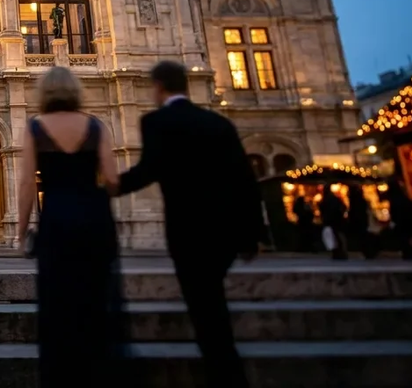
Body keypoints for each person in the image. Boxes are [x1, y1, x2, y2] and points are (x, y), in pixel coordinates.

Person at [117, 60, 261, 388]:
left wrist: (109, 187)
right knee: (212, 298)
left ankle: (222, 368)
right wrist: (252, 235)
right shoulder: (218, 123)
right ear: (185, 85)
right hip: (224, 231)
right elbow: (245, 180)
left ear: (159, 87)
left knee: (203, 302)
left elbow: (148, 170)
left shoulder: (157, 121)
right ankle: (225, 366)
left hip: (187, 231)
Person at [17, 66, 128, 387]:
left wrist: (21, 230)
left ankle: (63, 376)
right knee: (94, 299)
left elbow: (26, 184)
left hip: (57, 219)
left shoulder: (36, 127)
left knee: (58, 303)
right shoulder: (95, 125)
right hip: (95, 218)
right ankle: (97, 373)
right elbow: (110, 180)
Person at [319, 185, 348, 260]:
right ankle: (339, 252)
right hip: (336, 221)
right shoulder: (335, 199)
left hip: (332, 221)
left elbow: (322, 208)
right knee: (337, 237)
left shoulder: (326, 200)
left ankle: (337, 252)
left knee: (333, 237)